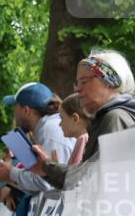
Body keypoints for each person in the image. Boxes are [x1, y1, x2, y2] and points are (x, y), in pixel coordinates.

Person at [33, 49, 135, 189]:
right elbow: (83, 183)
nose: (77, 89)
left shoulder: (115, 117)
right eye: (76, 83)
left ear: (109, 82)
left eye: (83, 82)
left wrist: (48, 166)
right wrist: (46, 170)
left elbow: (91, 180)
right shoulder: (107, 118)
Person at [58, 93, 91, 165]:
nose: (60, 124)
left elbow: (74, 175)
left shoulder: (83, 139)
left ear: (75, 119)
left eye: (62, 118)